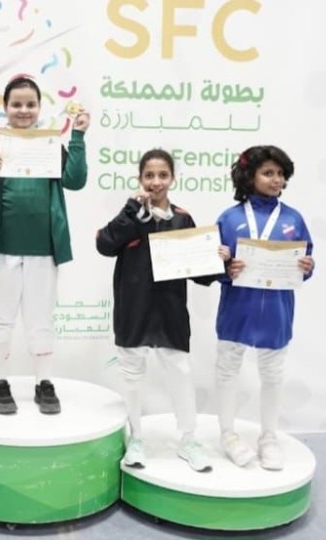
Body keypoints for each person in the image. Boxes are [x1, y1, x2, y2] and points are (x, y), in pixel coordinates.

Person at [0, 76, 90, 415]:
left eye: (30, 104)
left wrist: (78, 136)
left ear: (39, 108)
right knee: (0, 320)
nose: (23, 110)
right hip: (0, 253)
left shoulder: (50, 146)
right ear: (5, 108)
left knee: (40, 322)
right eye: (16, 104)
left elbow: (75, 180)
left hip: (44, 251)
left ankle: (43, 383)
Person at [96, 149, 225, 472]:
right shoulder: (130, 216)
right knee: (132, 377)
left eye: (162, 175)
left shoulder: (182, 218)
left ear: (173, 179)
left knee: (181, 373)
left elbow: (200, 273)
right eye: (149, 175)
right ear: (140, 179)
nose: (156, 182)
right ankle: (136, 439)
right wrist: (131, 210)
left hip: (170, 313)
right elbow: (105, 245)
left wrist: (218, 260)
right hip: (133, 310)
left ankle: (189, 440)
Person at [213, 145, 315, 471]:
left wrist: (307, 266)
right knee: (227, 370)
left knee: (273, 373)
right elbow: (213, 263)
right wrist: (225, 268)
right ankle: (227, 434)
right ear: (249, 176)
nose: (276, 180)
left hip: (276, 310)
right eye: (268, 173)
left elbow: (305, 262)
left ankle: (269, 437)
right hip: (237, 308)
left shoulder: (293, 219)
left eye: (280, 174)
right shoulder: (229, 219)